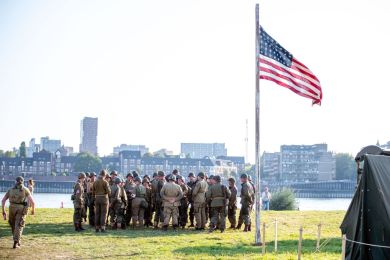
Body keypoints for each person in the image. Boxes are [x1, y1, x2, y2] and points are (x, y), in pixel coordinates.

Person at [2, 176, 35, 249]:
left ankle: (17, 240)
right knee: (19, 225)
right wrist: (33, 210)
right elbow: (32, 202)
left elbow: (3, 200)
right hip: (21, 209)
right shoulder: (25, 189)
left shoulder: (10, 190)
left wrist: (3, 211)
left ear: (15, 182)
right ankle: (16, 242)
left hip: (11, 208)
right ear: (22, 182)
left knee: (13, 225)